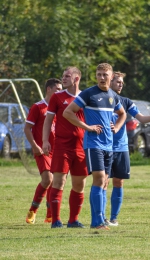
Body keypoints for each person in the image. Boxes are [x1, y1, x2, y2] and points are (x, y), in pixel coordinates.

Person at [63, 63, 126, 230]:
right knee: (98, 179)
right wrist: (87, 127)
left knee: (105, 181)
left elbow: (122, 114)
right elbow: (68, 112)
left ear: (111, 76)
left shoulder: (113, 95)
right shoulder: (89, 94)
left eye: (105, 74)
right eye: (99, 74)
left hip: (109, 145)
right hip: (93, 144)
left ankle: (102, 218)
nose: (102, 77)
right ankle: (96, 221)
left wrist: (117, 127)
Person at [103, 71, 150, 226]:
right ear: (110, 81)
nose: (121, 84)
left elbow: (141, 118)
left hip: (121, 148)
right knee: (103, 182)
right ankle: (101, 217)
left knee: (119, 182)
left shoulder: (126, 101)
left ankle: (114, 218)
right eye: (118, 82)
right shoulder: (100, 99)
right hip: (104, 147)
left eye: (122, 82)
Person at [42, 66, 88, 228]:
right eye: (63, 76)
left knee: (79, 185)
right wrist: (45, 141)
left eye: (67, 76)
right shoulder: (57, 97)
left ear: (76, 78)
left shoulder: (85, 96)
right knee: (58, 182)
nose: (64, 78)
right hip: (62, 147)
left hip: (82, 147)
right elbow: (48, 120)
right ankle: (55, 221)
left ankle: (73, 220)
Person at [24, 78, 62, 224]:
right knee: (48, 179)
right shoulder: (38, 107)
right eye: (57, 89)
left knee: (55, 182)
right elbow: (27, 128)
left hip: (57, 151)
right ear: (49, 89)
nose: (60, 92)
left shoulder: (60, 108)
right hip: (42, 150)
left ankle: (50, 216)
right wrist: (35, 146)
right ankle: (33, 211)